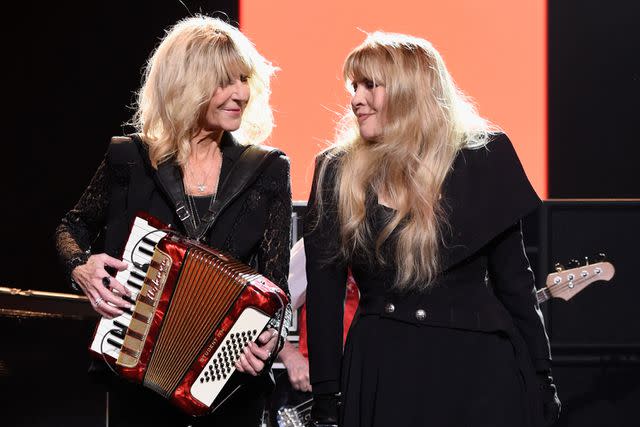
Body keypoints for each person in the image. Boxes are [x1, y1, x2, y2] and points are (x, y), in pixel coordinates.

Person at [304, 32, 561, 427]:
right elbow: (323, 293)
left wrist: (542, 377)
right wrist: (326, 395)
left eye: (370, 85)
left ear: (411, 90)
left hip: (482, 371)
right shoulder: (335, 171)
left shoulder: (484, 157)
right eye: (353, 86)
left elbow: (515, 283)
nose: (355, 99)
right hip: (384, 371)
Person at [55, 16, 292, 427]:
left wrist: (267, 340)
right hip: (136, 385)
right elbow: (70, 226)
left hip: (229, 390)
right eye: (224, 81)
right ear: (187, 85)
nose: (241, 93)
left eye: (243, 78)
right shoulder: (130, 160)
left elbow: (277, 288)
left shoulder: (267, 170)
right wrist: (83, 266)